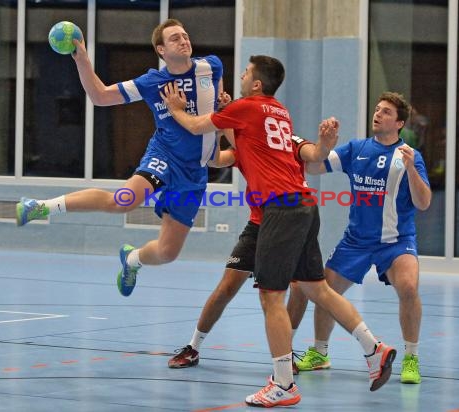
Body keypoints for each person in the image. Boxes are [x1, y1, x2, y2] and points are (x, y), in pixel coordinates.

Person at [162, 55, 397, 408]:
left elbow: (197, 126)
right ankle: (374, 349)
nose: (241, 76)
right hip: (299, 207)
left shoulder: (248, 108)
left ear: (256, 84)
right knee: (317, 288)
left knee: (271, 297)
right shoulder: (278, 117)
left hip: (281, 210)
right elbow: (226, 156)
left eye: (245, 73)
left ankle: (283, 384)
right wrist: (324, 144)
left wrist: (176, 108)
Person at [15, 19, 227, 297]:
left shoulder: (211, 66)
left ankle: (131, 260)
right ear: (161, 50)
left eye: (185, 35)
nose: (184, 40)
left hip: (194, 173)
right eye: (175, 38)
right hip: (164, 156)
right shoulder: (152, 82)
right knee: (123, 201)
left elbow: (220, 111)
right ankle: (40, 207)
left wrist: (224, 108)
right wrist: (82, 61)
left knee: (167, 253)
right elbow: (100, 96)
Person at [168, 128, 335, 374]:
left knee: (299, 287)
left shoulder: (289, 142)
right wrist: (214, 129)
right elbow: (215, 159)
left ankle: (285, 351)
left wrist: (325, 142)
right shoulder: (246, 148)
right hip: (258, 225)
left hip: (289, 222)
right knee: (227, 286)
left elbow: (315, 154)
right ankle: (193, 346)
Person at [299, 92, 431, 385]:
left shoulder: (409, 155)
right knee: (325, 290)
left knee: (408, 287)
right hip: (356, 241)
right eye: (377, 109)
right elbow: (314, 166)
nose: (378, 114)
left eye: (385, 112)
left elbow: (423, 203)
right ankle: (320, 353)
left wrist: (411, 170)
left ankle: (411, 357)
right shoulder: (356, 149)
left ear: (398, 123)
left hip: (396, 241)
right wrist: (325, 144)